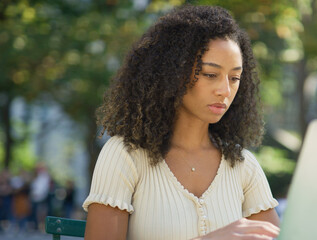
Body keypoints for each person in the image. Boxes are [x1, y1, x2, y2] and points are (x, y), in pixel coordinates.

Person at [82, 5, 280, 240]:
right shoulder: (125, 156)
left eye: (235, 78)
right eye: (210, 74)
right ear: (172, 74)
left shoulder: (242, 165)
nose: (225, 90)